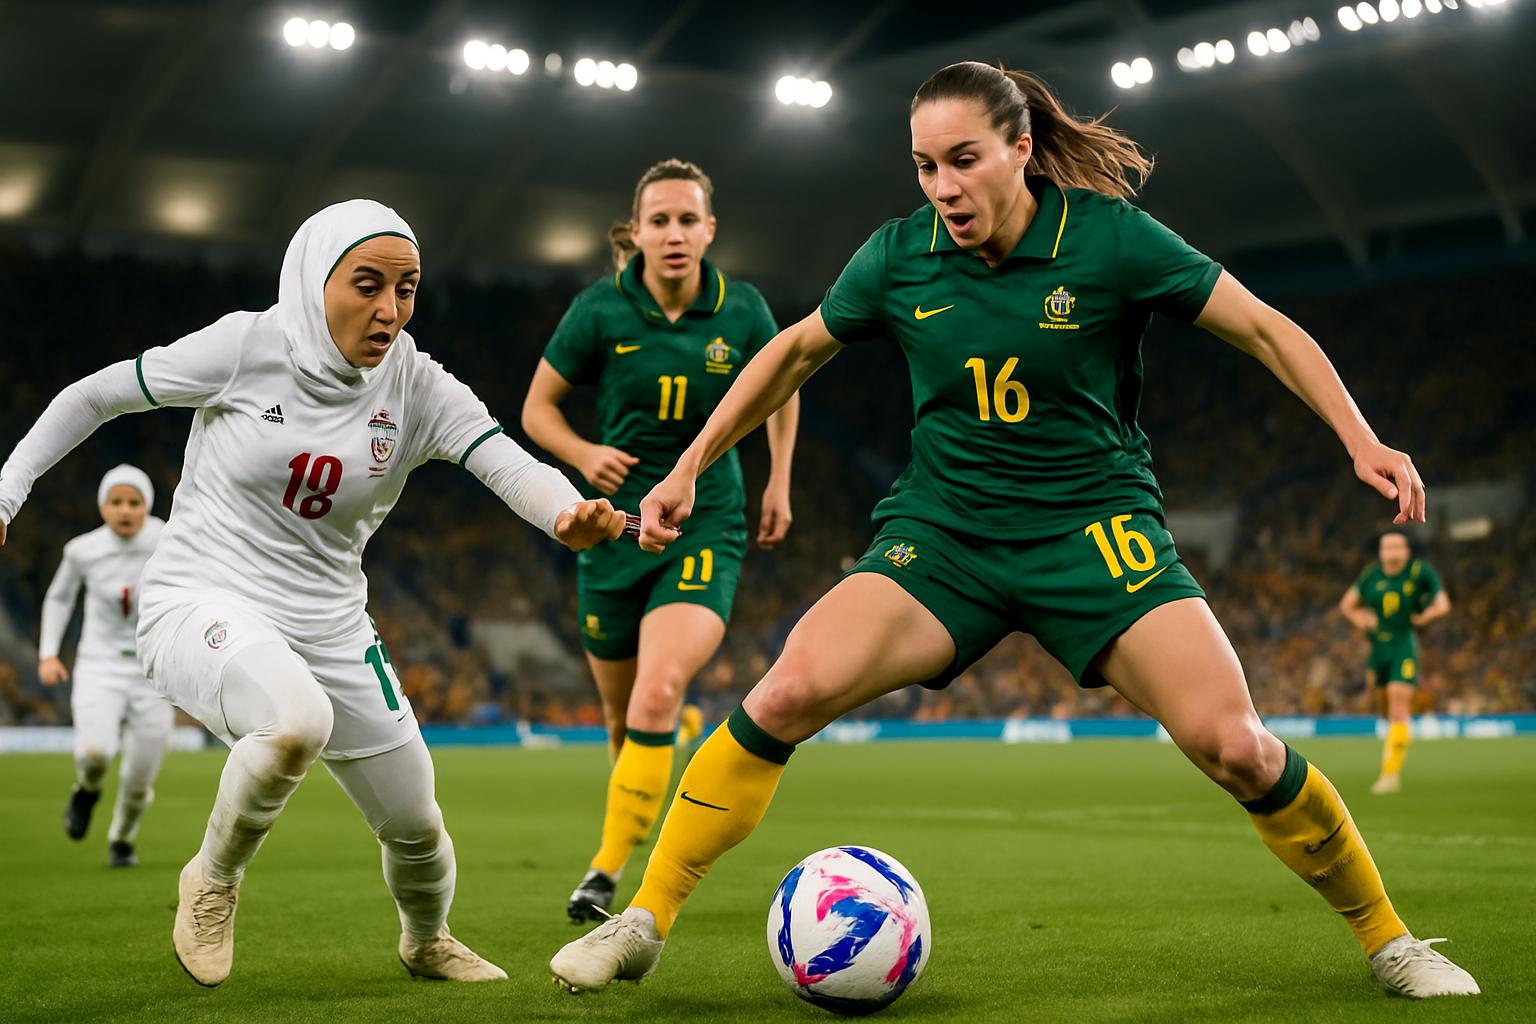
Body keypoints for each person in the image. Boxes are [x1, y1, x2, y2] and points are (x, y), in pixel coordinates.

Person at [548, 63, 1479, 1000]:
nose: (943, 189)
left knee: (1237, 746)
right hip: (943, 536)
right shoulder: (899, 256)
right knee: (788, 689)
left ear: (1022, 149)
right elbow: (791, 352)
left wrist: (1360, 438)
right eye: (923, 167)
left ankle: (1391, 939)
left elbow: (1265, 329)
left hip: (1096, 534)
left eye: (963, 160)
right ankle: (642, 921)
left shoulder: (1110, 240)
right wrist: (687, 468)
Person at [0, 200, 626, 987]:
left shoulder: (416, 386)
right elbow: (94, 395)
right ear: (311, 278)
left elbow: (506, 461)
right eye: (367, 285)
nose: (389, 310)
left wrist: (567, 512)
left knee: (417, 823)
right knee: (295, 723)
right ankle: (212, 881)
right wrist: (7, 488)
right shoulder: (244, 347)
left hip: (329, 621)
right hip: (201, 598)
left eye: (407, 289)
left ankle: (426, 940)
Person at [522, 158, 799, 923]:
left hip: (706, 520)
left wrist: (777, 478)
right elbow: (537, 409)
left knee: (655, 687)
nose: (674, 234)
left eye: (688, 220)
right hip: (613, 530)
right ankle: (641, 793)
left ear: (710, 230)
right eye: (660, 221)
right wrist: (581, 455)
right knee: (622, 722)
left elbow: (784, 385)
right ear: (636, 232)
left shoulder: (742, 310)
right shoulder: (598, 311)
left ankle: (607, 872)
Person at [40, 464, 172, 868]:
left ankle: (122, 840)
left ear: (146, 506)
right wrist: (48, 653)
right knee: (96, 752)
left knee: (139, 780)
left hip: (154, 671)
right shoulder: (83, 550)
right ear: (103, 507)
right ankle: (87, 789)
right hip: (99, 666)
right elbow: (59, 598)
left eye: (134, 502)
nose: (125, 510)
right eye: (116, 502)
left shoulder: (168, 538)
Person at [1339, 531, 1450, 794]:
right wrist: (1361, 619)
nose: (1391, 552)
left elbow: (1443, 604)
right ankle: (1397, 738)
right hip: (1378, 647)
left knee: (1398, 701)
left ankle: (1390, 775)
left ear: (1406, 552)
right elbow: (1347, 605)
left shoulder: (1420, 572)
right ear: (1381, 552)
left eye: (1397, 547)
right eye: (1386, 548)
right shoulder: (1371, 575)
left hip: (1404, 643)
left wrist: (1426, 617)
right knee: (1384, 708)